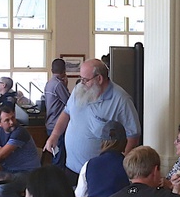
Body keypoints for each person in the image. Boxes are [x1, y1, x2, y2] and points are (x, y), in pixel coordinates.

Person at [44, 59, 141, 187]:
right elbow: (66, 113)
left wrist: (120, 164)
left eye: (85, 80)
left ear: (99, 79)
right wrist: (54, 135)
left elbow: (133, 135)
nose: (81, 83)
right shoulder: (79, 89)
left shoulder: (121, 100)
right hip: (71, 167)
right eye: (81, 78)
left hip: (98, 173)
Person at [0, 106, 46, 197]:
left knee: (1, 189)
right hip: (9, 173)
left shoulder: (20, 132)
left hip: (29, 174)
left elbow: (0, 155)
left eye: (13, 118)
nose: (12, 122)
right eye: (7, 120)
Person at [74, 120, 130, 197]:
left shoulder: (89, 165)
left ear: (102, 142)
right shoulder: (129, 166)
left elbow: (79, 196)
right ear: (125, 142)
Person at [44, 58, 71, 167]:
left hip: (50, 123)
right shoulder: (59, 85)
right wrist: (66, 86)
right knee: (59, 158)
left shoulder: (49, 83)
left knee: (56, 156)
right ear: (64, 71)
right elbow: (70, 102)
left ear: (51, 70)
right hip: (57, 125)